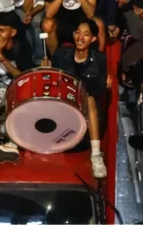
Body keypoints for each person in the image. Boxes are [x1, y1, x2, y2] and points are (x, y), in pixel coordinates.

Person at [50, 16, 109, 179]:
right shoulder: (61, 55)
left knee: (89, 99)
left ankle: (96, 155)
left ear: (93, 39)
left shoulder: (100, 60)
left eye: (86, 34)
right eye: (77, 32)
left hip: (87, 113)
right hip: (63, 106)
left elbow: (97, 93)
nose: (80, 37)